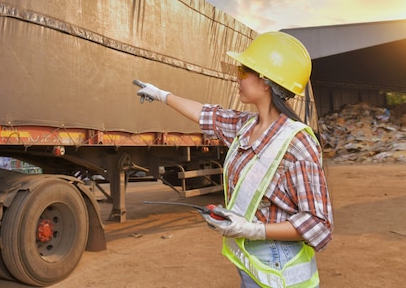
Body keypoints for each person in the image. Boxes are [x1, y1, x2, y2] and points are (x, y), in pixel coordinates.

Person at [135, 31, 333, 288]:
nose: (236, 77)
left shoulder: (297, 143)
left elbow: (319, 225)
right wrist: (162, 95)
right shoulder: (246, 126)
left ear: (266, 81)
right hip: (255, 263)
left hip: (279, 266)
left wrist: (253, 230)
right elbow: (206, 114)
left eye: (243, 71)